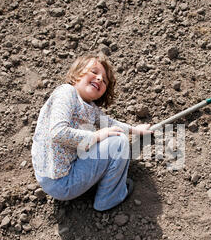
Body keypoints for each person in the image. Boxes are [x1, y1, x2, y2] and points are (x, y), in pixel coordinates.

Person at [31, 53, 152, 211]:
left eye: (105, 81)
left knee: (112, 134)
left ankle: (94, 184)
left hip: (54, 178)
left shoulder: (90, 108)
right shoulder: (67, 92)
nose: (100, 79)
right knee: (119, 141)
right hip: (61, 182)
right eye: (94, 72)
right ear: (76, 74)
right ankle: (109, 198)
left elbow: (110, 122)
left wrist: (136, 130)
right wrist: (97, 136)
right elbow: (58, 132)